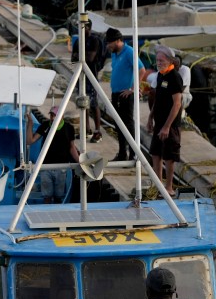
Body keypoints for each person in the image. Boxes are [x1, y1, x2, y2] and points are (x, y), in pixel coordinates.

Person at [146, 45, 184, 197]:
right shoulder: (160, 75)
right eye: (157, 60)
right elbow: (158, 98)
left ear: (169, 60)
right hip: (159, 122)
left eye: (161, 60)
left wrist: (167, 127)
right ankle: (158, 184)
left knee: (169, 156)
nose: (159, 63)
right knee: (155, 153)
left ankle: (169, 187)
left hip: (170, 125)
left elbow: (177, 104)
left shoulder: (174, 76)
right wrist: (150, 117)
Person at [104, 28, 144, 162]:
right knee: (118, 124)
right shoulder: (115, 53)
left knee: (127, 123)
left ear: (117, 41)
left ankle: (133, 153)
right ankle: (122, 153)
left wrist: (133, 89)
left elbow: (141, 69)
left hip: (125, 94)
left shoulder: (129, 52)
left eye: (110, 42)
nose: (108, 45)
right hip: (116, 93)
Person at [26, 105, 79, 203]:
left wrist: (79, 162)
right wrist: (30, 124)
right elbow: (30, 141)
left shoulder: (69, 128)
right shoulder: (45, 125)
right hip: (46, 167)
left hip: (61, 167)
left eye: (55, 115)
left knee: (59, 196)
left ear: (62, 116)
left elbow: (72, 147)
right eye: (51, 115)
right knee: (47, 196)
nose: (53, 118)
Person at [71, 22, 105, 142]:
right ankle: (86, 129)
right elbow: (74, 59)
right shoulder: (78, 41)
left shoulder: (94, 41)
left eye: (83, 27)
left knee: (94, 104)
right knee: (83, 101)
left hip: (91, 75)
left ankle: (97, 131)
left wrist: (80, 55)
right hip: (80, 76)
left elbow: (90, 58)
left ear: (89, 28)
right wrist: (82, 55)